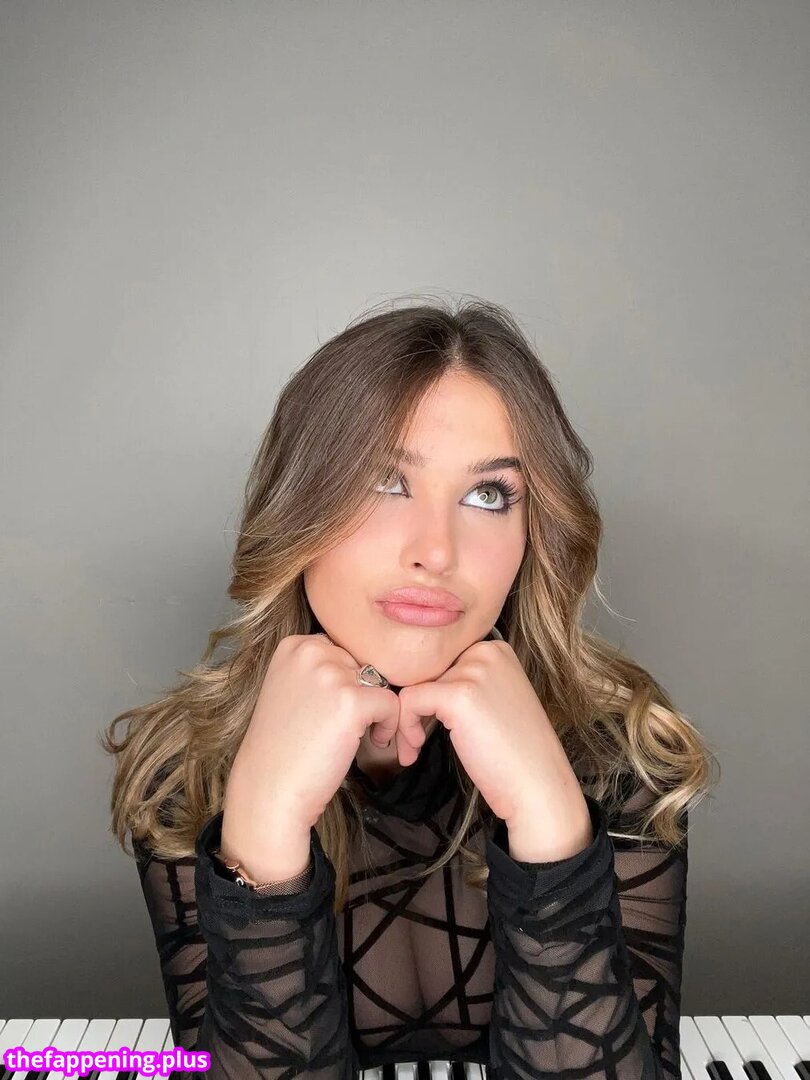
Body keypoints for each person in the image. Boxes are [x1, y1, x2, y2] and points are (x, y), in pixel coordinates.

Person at [102, 298, 718, 1079]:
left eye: (488, 496)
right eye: (384, 483)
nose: (436, 551)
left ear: (532, 536)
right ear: (299, 509)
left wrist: (550, 819)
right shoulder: (188, 768)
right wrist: (261, 829)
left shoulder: (623, 751)